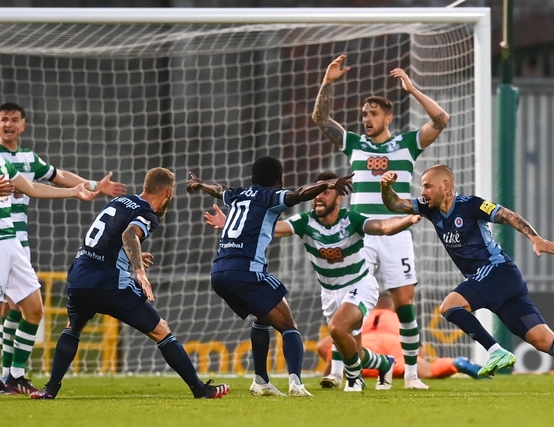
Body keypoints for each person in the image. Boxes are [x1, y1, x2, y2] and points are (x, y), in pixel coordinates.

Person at [379, 165, 554, 393]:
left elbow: (506, 215)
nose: (423, 192)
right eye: (422, 187)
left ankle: (495, 351)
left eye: (427, 186)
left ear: (445, 185)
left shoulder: (470, 205)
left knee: (449, 306)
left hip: (497, 271)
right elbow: (395, 205)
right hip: (499, 281)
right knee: (542, 340)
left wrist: (535, 238)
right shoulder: (428, 208)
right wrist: (385, 187)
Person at [0, 102, 126, 381]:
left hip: (16, 241)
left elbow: (50, 180)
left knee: (28, 308)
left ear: (21, 126)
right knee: (1, 308)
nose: (7, 125)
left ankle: (13, 372)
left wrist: (87, 187)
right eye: (2, 120)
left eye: (14, 120)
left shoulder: (20, 160)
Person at [204, 171, 420, 392]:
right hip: (330, 292)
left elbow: (383, 227)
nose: (319, 196)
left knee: (337, 329)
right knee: (355, 349)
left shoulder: (351, 219)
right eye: (318, 191)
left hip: (359, 285)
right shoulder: (305, 221)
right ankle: (385, 364)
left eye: (326, 192)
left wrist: (409, 218)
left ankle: (355, 380)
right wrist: (229, 223)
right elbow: (270, 228)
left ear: (339, 198)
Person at [30, 167, 230, 400]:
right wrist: (139, 271)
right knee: (161, 330)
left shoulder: (122, 201)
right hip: (109, 283)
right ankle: (200, 390)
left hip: (79, 277)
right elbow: (128, 235)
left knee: (73, 327)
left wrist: (129, 254)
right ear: (167, 193)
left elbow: (110, 236)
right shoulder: (149, 213)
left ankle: (50, 390)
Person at [312, 54, 450, 389]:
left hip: (396, 231)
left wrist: (412, 88)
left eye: (373, 114)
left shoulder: (406, 145)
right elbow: (321, 118)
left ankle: (412, 375)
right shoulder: (355, 145)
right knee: (346, 301)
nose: (366, 119)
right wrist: (327, 83)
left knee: (403, 304)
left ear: (388, 117)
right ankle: (336, 370)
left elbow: (441, 119)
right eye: (364, 114)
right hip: (361, 233)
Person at [187, 157, 353, 397]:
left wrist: (200, 183)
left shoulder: (238, 194)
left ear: (253, 178)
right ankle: (296, 383)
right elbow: (299, 194)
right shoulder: (270, 197)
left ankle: (261, 381)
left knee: (263, 318)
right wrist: (326, 185)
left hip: (218, 273)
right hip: (246, 271)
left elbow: (219, 190)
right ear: (279, 180)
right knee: (289, 327)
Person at [316, 292, 483, 381]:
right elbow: (418, 354)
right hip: (396, 346)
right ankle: (455, 363)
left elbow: (323, 346)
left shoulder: (360, 315)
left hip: (365, 345)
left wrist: (331, 366)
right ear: (393, 308)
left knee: (349, 359)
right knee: (428, 370)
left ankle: (337, 376)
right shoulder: (399, 318)